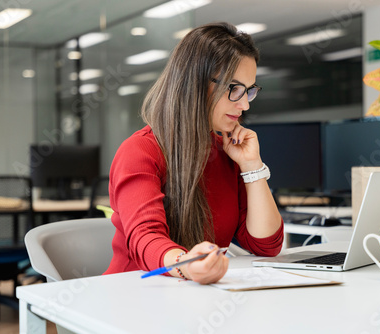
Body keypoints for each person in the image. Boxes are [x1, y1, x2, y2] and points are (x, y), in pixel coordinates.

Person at [104, 22, 283, 284]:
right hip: (134, 297)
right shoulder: (140, 151)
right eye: (234, 88)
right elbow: (145, 238)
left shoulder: (226, 152)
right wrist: (187, 266)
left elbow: (266, 245)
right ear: (195, 83)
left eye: (249, 90)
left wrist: (252, 166)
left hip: (195, 297)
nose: (244, 104)